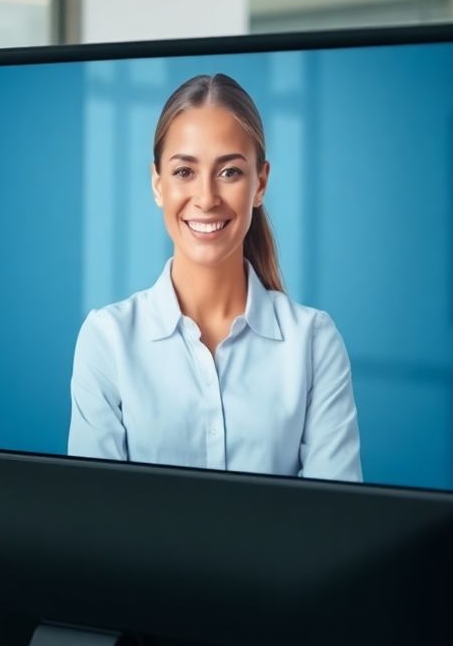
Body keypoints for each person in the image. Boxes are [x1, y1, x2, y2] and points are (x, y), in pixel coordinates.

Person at [68, 73, 362, 482]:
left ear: (260, 183)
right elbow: (91, 519)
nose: (206, 198)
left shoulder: (313, 343)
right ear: (157, 183)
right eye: (184, 172)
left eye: (229, 173)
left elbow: (337, 524)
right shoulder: (107, 340)